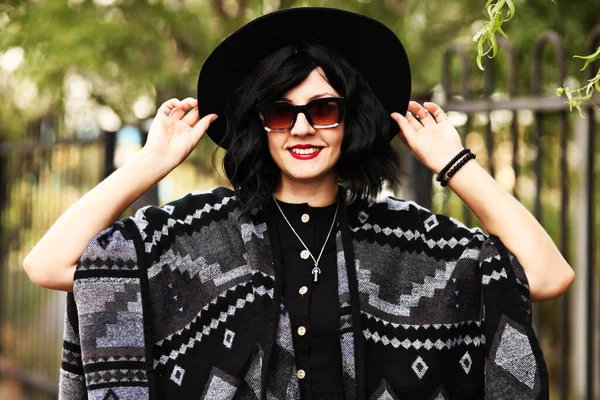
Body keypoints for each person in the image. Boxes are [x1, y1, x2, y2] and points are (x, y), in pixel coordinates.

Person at [23, 7, 573, 400]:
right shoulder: (199, 234)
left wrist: (456, 167)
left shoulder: (408, 242)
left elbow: (547, 275)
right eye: (281, 112)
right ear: (260, 125)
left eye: (324, 109)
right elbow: (48, 263)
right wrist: (150, 163)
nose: (302, 128)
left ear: (350, 121)